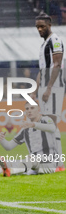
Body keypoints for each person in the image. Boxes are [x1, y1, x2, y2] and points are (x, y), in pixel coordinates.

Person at [0, 102, 64, 178]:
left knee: (30, 159)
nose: (29, 110)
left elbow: (52, 128)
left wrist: (33, 124)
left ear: (38, 109)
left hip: (49, 164)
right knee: (6, 162)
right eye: (27, 108)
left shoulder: (46, 120)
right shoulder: (25, 130)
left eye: (32, 108)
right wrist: (2, 140)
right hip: (34, 164)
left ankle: (11, 171)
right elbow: (9, 147)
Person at [31, 12, 64, 168]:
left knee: (51, 122)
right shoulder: (44, 44)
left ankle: (58, 161)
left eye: (42, 26)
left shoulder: (55, 41)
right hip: (45, 86)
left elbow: (57, 65)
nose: (39, 29)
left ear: (50, 25)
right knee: (47, 121)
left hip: (54, 85)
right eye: (37, 27)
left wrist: (49, 88)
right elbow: (42, 69)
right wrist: (35, 89)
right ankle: (53, 159)